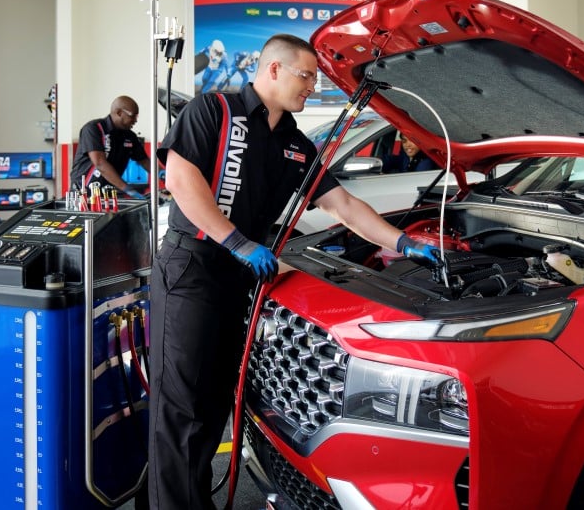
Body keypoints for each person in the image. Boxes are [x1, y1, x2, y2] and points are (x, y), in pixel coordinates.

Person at [147, 34, 440, 509]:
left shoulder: (297, 146)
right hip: (191, 271)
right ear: (274, 70)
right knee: (182, 410)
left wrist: (403, 241)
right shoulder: (213, 110)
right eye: (306, 76)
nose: (312, 86)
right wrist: (238, 242)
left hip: (237, 282)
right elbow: (180, 180)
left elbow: (343, 205)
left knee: (215, 406)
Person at [69, 95, 148, 198]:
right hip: (84, 196)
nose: (135, 120)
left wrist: (163, 174)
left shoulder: (130, 136)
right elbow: (100, 163)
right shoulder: (93, 129)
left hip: (108, 195)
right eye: (132, 116)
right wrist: (127, 189)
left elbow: (144, 160)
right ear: (119, 113)